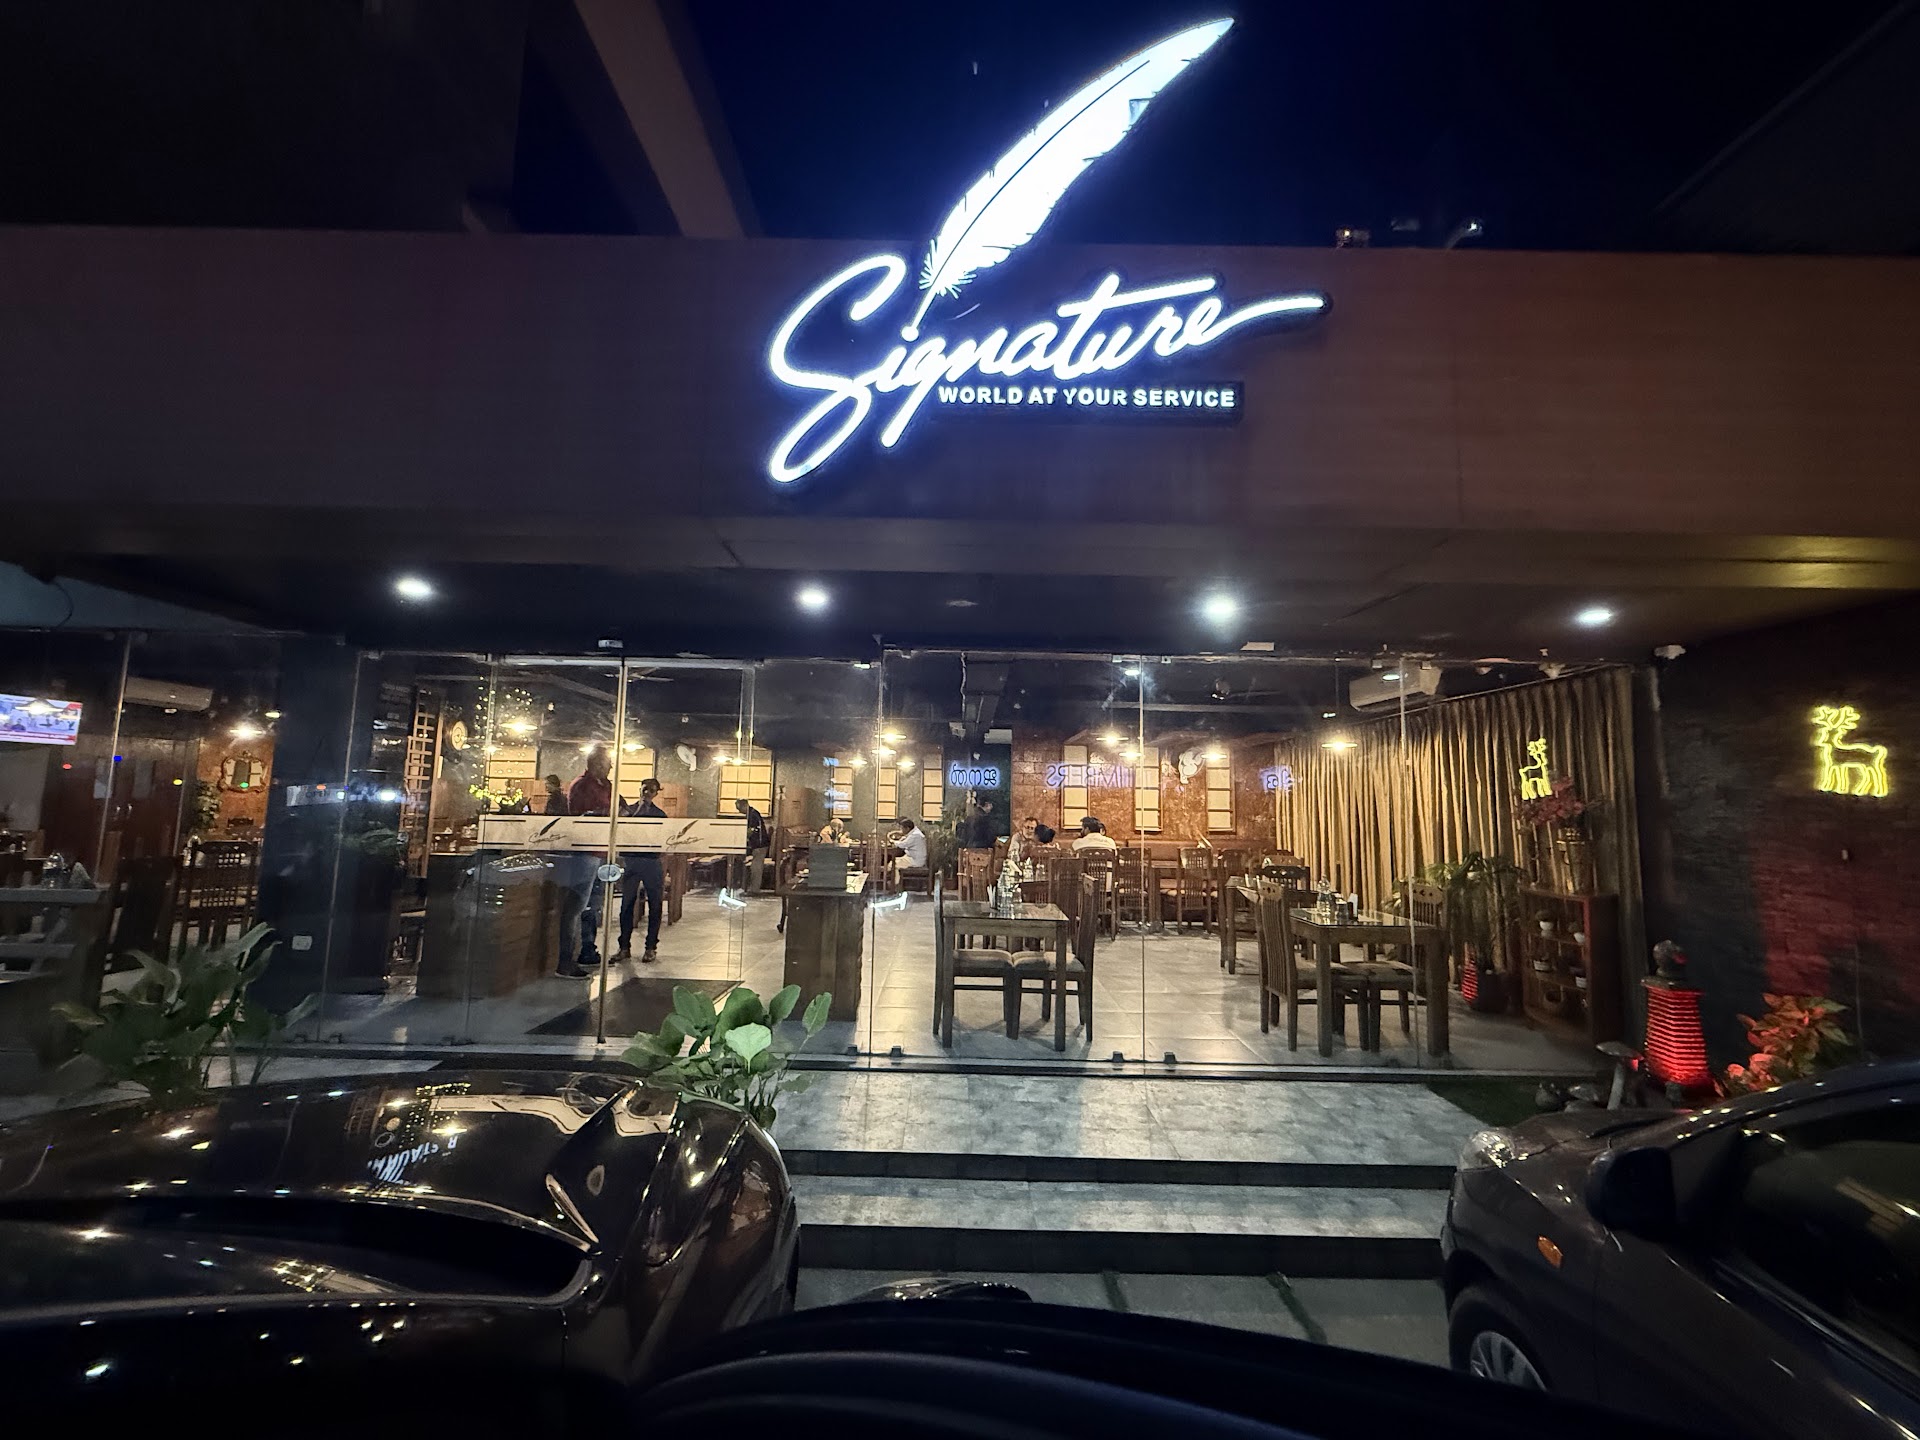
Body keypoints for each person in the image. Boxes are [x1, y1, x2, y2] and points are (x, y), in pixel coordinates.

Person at [555, 750, 613, 978]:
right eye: (607, 763)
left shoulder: (606, 785)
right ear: (595, 764)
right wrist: (605, 813)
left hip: (601, 851)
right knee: (575, 907)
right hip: (584, 852)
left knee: (593, 906)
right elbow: (581, 816)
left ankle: (587, 951)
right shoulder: (581, 785)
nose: (610, 767)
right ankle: (565, 960)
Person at [616, 777, 667, 962]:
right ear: (640, 789)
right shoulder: (629, 811)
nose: (647, 793)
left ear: (656, 793)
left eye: (651, 790)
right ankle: (624, 946)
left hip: (651, 861)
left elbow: (662, 838)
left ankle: (651, 947)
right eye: (644, 789)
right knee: (626, 905)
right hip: (632, 860)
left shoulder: (660, 815)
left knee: (655, 904)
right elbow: (621, 830)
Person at [734, 796, 769, 893]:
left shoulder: (753, 815)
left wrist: (744, 837)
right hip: (758, 845)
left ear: (744, 806)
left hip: (759, 845)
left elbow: (751, 831)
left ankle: (755, 890)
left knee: (756, 868)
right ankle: (752, 888)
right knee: (755, 867)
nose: (739, 811)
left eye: (739, 809)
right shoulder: (752, 814)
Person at [888, 815, 928, 881]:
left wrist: (892, 841)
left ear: (907, 828)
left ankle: (895, 883)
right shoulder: (915, 832)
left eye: (902, 828)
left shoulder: (915, 835)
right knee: (893, 862)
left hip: (915, 860)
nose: (901, 830)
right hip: (913, 857)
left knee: (893, 864)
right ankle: (894, 881)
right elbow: (905, 837)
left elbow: (903, 845)